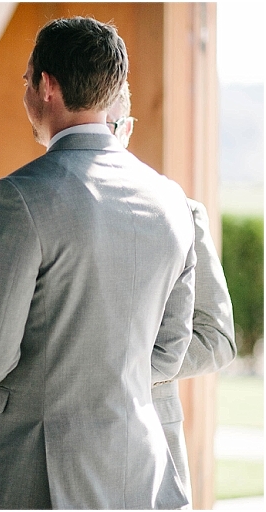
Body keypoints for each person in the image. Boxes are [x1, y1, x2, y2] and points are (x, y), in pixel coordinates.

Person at [0, 17, 196, 509]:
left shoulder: (17, 197)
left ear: (47, 86)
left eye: (26, 80)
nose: (25, 93)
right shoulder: (171, 201)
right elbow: (170, 349)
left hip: (42, 469)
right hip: (141, 464)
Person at [108, 81, 237, 503]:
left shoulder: (181, 210)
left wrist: (124, 373)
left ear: (126, 129)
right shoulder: (39, 206)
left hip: (151, 435)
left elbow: (216, 338)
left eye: (107, 126)